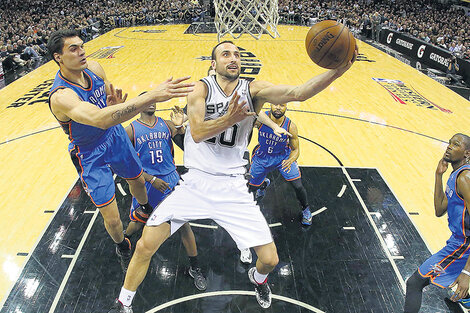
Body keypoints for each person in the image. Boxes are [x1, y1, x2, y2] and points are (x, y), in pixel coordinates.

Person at [109, 40, 356, 312]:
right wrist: (230, 117)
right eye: (225, 54)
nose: (233, 58)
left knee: (270, 260)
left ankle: (258, 278)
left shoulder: (254, 90)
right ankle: (124, 303)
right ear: (213, 64)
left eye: (237, 54)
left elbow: (299, 93)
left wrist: (339, 70)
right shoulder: (200, 88)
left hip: (233, 187)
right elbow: (199, 133)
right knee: (145, 245)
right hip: (196, 183)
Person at [47, 29, 193, 266]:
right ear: (58, 57)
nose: (81, 52)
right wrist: (150, 96)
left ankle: (144, 208)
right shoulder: (61, 96)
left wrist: (112, 105)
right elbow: (100, 119)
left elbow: (106, 105)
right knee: (113, 220)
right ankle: (122, 245)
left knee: (136, 178)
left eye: (82, 46)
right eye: (73, 49)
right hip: (89, 152)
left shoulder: (93, 69)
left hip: (113, 135)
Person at [124, 99, 206, 290]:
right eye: (147, 100)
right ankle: (122, 243)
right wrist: (151, 179)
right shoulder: (131, 130)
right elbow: (127, 164)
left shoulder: (166, 125)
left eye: (153, 101)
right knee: (138, 221)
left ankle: (195, 267)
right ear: (139, 105)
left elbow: (190, 142)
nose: (151, 103)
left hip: (170, 180)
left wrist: (181, 126)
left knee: (184, 225)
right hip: (147, 183)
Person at [403, 133, 470, 312]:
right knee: (456, 294)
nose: (449, 146)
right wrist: (438, 176)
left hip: (463, 246)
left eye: (456, 145)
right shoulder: (455, 175)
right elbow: (439, 209)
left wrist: (467, 272)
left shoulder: (465, 178)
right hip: (458, 242)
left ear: (467, 154)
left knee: (415, 283)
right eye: (449, 142)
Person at [248, 102, 312, 225]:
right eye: (275, 104)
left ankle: (306, 210)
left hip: (283, 157)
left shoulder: (290, 126)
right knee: (252, 188)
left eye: (281, 105)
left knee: (298, 186)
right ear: (270, 105)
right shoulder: (260, 120)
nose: (278, 107)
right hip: (263, 157)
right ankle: (263, 184)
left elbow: (296, 150)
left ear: (286, 107)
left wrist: (291, 160)